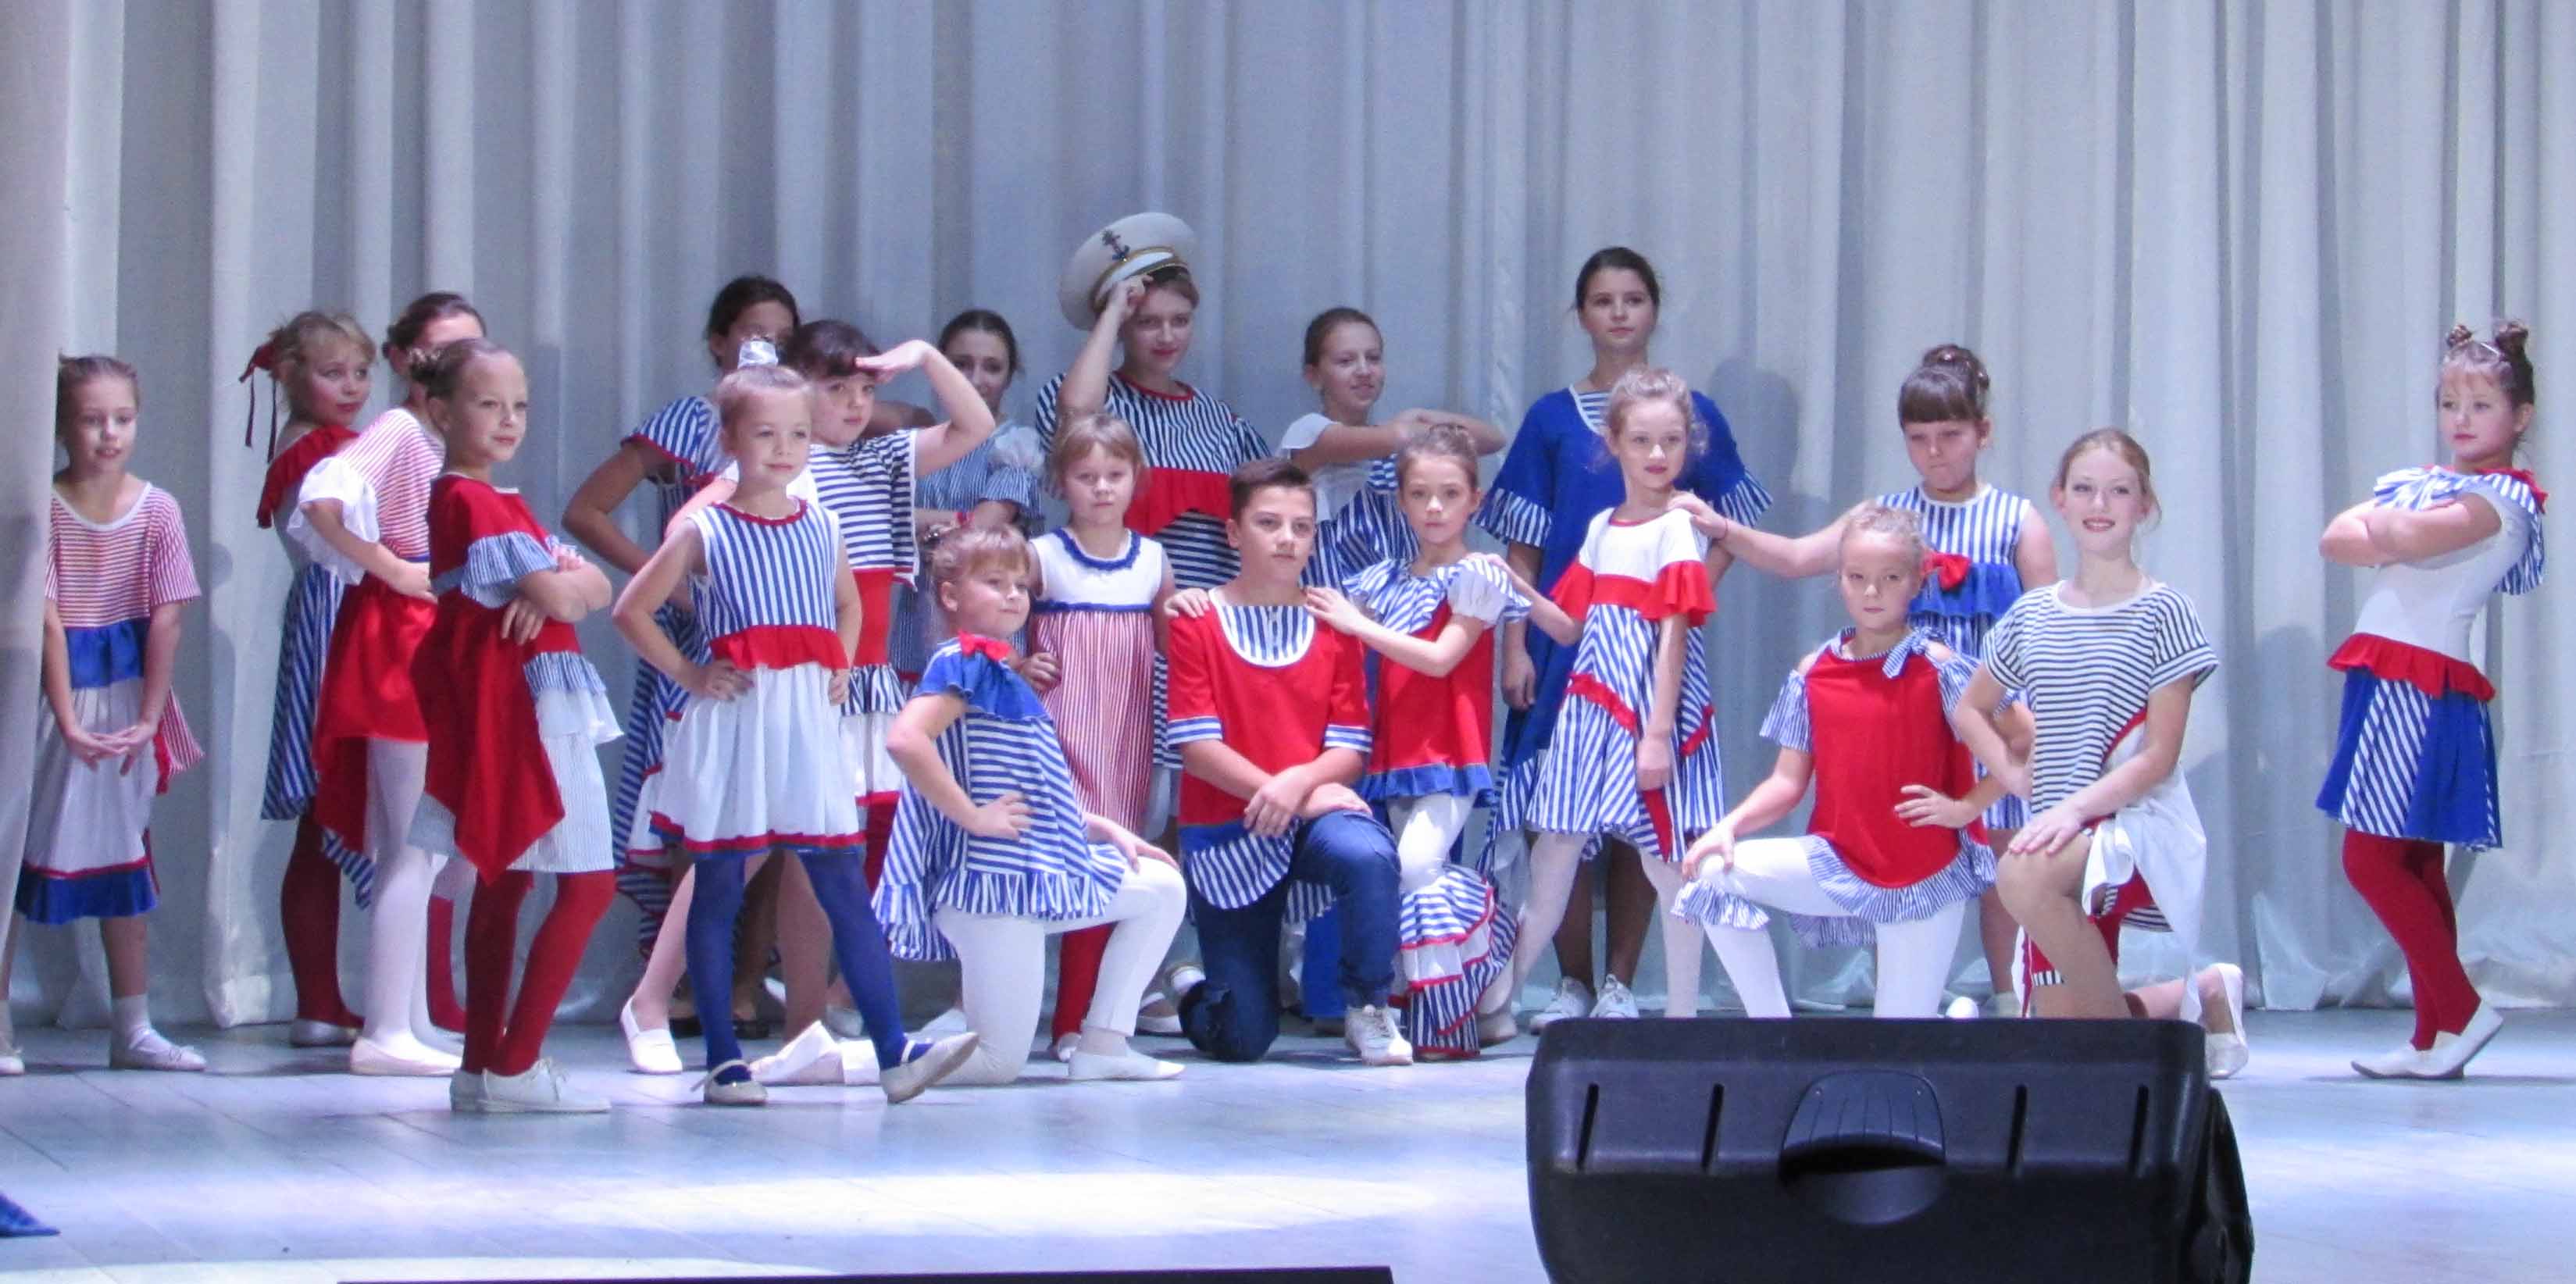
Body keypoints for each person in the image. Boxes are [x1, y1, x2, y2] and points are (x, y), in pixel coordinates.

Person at [612, 351, 976, 1106]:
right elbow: (632, 610)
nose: (784, 449)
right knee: (720, 884)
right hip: (739, 723)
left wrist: (838, 661)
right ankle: (723, 1060)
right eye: (765, 434)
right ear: (730, 440)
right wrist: (691, 675)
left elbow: (848, 604)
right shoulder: (704, 527)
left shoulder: (822, 524)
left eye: (798, 435)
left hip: (808, 724)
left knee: (842, 880)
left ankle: (893, 1050)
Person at [1704, 345, 2050, 1013]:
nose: (1935, 452)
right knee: (1905, 839)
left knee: (2009, 867)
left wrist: (2040, 719)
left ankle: (2013, 1003)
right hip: (1904, 710)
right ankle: (1919, 993)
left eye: (1950, 435)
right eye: (1919, 438)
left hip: (1988, 706)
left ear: (1982, 432)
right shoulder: (1885, 517)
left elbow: (2046, 627)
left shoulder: (2016, 518)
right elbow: (1798, 556)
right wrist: (1724, 529)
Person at [1478, 248, 1768, 1025]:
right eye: (1602, 299)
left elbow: (1726, 537)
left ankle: (1647, 997)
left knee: (1660, 842)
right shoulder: (1565, 445)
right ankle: (1540, 988)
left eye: (1633, 298)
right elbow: (1546, 576)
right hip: (1581, 679)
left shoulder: (1685, 458)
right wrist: (1514, 612)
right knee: (1557, 835)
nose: (1618, 313)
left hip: (1649, 687)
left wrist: (1682, 600)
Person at [1945, 430, 2248, 1078]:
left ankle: (2125, 1064)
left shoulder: (2164, 612)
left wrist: (2071, 810)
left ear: (2145, 504)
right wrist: (2015, 776)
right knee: (2063, 1033)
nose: (2099, 503)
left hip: (2132, 828)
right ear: (2059, 498)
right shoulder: (2033, 614)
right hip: (2058, 829)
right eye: (2084, 488)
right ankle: (2202, 995)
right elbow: (1971, 708)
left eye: (2118, 490)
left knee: (2019, 874)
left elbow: (2157, 756)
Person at [865, 526, 1189, 1085]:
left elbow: (1025, 787)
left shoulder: (1000, 670)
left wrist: (1100, 826)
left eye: (1019, 584)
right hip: (994, 886)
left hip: (1033, 873)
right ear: (950, 596)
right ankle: (839, 1062)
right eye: (994, 583)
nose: (1013, 595)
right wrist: (973, 817)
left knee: (1161, 887)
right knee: (997, 1063)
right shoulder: (963, 662)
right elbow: (905, 740)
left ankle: (1104, 1045)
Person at [563, 276, 800, 1029]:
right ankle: (684, 983)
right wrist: (664, 584)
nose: (767, 348)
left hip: (776, 644)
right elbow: (585, 510)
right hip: (700, 645)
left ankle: (746, 982)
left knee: (777, 819)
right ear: (718, 341)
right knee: (695, 814)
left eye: (783, 338)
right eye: (754, 333)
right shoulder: (688, 422)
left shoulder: (798, 427)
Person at [2317, 323, 2544, 1079]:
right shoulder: (2430, 484)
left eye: (2481, 405)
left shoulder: (2501, 499)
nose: (2462, 419)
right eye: (2450, 404)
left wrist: (2387, 530)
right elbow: (2336, 537)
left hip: (2423, 682)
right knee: (2413, 859)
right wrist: (2394, 530)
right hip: (2389, 677)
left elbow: (2409, 538)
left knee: (2371, 857)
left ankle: (2462, 1008)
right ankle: (2433, 1033)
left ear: (2519, 416)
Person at [1677, 505, 2007, 1018]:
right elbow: (1787, 782)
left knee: (1900, 1047)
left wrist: (1968, 807)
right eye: (1857, 577)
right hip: (1837, 860)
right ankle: (1774, 1033)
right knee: (1714, 871)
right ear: (1840, 581)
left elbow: (2026, 740)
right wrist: (1729, 826)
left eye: (1890, 578)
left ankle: (1947, 1025)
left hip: (1922, 874)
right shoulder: (1815, 673)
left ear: (1917, 581)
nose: (1872, 591)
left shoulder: (1940, 668)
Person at [405, 340, 619, 1112]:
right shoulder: (471, 502)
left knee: (508, 878)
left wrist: (559, 584)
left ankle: (481, 1065)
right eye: (488, 404)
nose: (508, 420)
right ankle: (516, 1062)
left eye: (519, 405)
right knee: (587, 883)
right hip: (526, 708)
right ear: (440, 412)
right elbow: (570, 596)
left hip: (527, 700)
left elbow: (593, 586)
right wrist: (557, 584)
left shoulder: (501, 505)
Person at [289, 291, 487, 1075]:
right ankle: (386, 1030)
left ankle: (408, 1018)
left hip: (435, 636)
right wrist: (392, 566)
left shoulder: (442, 437)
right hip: (401, 640)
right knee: (409, 844)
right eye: (445, 352)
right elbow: (322, 496)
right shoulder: (403, 430)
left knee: (429, 846)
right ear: (410, 361)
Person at [1162, 459, 1414, 1065]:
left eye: (1301, 527)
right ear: (1233, 532)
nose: (1287, 539)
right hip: (1228, 827)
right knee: (1244, 1038)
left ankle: (1368, 1005)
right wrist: (1286, 792)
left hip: (1313, 816)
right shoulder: (1197, 621)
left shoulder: (1334, 622)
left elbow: (1350, 747)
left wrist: (1300, 785)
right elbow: (1197, 749)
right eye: (1269, 523)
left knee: (1369, 854)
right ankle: (1195, 991)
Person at [0, 356, 207, 1075]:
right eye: (92, 420)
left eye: (122, 418)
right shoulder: (44, 507)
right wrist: (65, 719)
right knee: (18, 853)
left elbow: (168, 617)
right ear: (63, 427)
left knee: (127, 851)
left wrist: (149, 718)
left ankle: (134, 1025)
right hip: (54, 698)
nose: (110, 434)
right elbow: (49, 620)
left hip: (125, 694)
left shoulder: (158, 510)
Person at [1301, 426, 1528, 1056]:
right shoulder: (1380, 579)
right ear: (1400, 500)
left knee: (1418, 867)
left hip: (1448, 750)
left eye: (1449, 494)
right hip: (1389, 750)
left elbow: (1440, 658)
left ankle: (1488, 965)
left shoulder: (1477, 575)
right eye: (1420, 494)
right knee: (1403, 880)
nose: (1434, 507)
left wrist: (1356, 624)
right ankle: (1465, 1003)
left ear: (1474, 500)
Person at [1024, 414, 1183, 1059]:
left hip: (1125, 739)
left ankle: (1080, 1023)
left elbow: (1175, 646)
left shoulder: (1153, 560)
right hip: (1056, 736)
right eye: (1086, 476)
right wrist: (1017, 662)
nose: (1101, 488)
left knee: (1109, 872)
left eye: (1115, 474)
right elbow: (990, 622)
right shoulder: (1042, 556)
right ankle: (1026, 1017)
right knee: (1056, 867)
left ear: (1135, 479)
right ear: (1061, 481)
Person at [245, 311, 379, 1046]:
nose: (352, 387)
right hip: (339, 620)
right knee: (326, 810)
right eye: (333, 374)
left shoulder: (326, 445)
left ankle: (324, 1002)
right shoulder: (321, 449)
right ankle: (320, 1001)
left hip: (333, 615)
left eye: (360, 372)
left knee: (326, 819)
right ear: (292, 376)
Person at [1279, 306, 1503, 588]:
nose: (1364, 371)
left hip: (1397, 597)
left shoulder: (1400, 438)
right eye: (1346, 361)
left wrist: (1423, 415)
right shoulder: (1309, 432)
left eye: (1373, 358)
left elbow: (1493, 439)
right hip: (1332, 593)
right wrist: (1410, 425)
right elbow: (1394, 437)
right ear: (1314, 376)